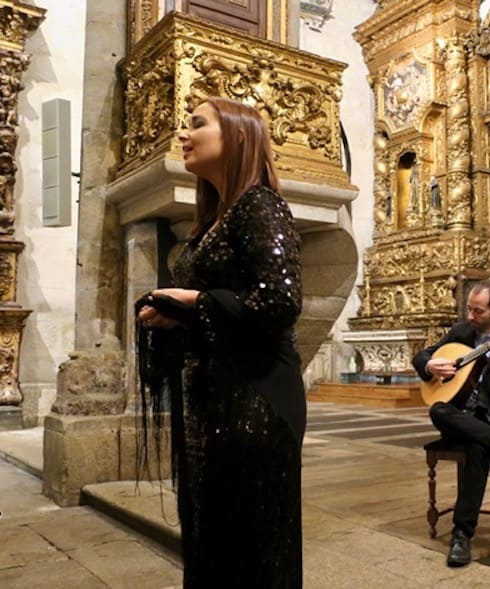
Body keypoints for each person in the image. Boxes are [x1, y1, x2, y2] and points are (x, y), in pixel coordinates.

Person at [136, 96, 305, 588]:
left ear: (236, 135)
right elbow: (229, 309)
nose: (183, 134)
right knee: (215, 535)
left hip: (256, 398)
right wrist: (177, 317)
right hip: (217, 397)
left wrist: (192, 302)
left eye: (196, 124)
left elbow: (279, 301)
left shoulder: (260, 203)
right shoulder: (215, 220)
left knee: (249, 543)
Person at [412, 280, 490, 567]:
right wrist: (430, 365)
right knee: (438, 410)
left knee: (476, 447)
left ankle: (461, 536)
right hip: (458, 419)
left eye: (477, 311)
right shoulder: (461, 332)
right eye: (468, 308)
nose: (470, 316)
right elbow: (423, 356)